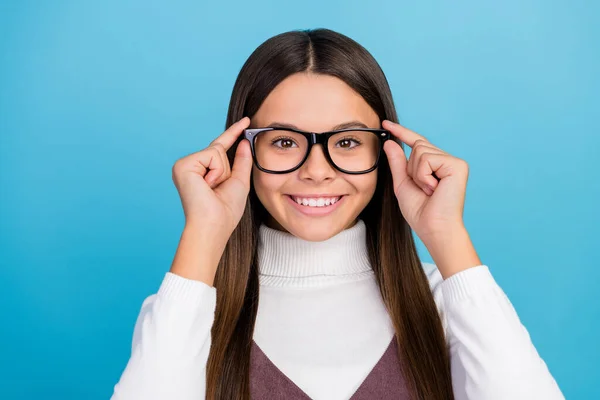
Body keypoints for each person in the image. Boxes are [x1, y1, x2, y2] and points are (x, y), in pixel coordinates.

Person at [110, 28, 564, 400]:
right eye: (285, 142)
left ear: (386, 155)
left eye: (346, 143)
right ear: (242, 152)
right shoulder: (187, 311)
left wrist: (446, 235)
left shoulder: (447, 303)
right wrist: (204, 236)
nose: (316, 172)